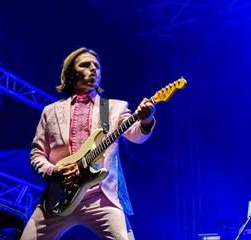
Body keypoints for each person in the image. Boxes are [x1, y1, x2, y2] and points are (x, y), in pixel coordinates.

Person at [21, 47, 156, 240]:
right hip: (59, 196)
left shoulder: (114, 108)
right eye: (85, 65)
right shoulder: (50, 111)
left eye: (97, 66)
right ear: (70, 73)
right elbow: (36, 154)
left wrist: (146, 119)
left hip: (100, 195)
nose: (93, 69)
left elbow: (137, 136)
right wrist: (53, 171)